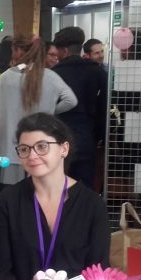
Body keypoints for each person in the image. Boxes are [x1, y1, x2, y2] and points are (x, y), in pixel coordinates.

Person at [0, 113, 110, 280]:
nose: (32, 155)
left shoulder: (92, 205)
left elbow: (97, 270)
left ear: (64, 149)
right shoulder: (8, 201)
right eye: (24, 149)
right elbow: (2, 271)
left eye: (42, 147)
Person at [0, 34, 77, 188]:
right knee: (39, 190)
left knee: (12, 193)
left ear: (17, 50)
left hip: (10, 147)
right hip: (41, 146)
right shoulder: (51, 76)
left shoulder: (5, 77)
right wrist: (50, 112)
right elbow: (71, 100)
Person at [52, 27, 108, 189]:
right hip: (87, 136)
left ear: (64, 50)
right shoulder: (97, 72)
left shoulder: (54, 74)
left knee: (58, 187)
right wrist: (98, 135)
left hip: (59, 137)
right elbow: (104, 106)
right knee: (84, 188)